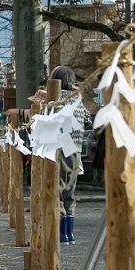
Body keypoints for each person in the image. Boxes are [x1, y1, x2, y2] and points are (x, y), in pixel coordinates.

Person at [49, 65, 91, 245]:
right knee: (69, 191)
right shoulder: (77, 100)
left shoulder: (56, 99)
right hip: (76, 148)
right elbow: (88, 119)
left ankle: (60, 234)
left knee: (56, 189)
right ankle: (69, 234)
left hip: (60, 145)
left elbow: (46, 117)